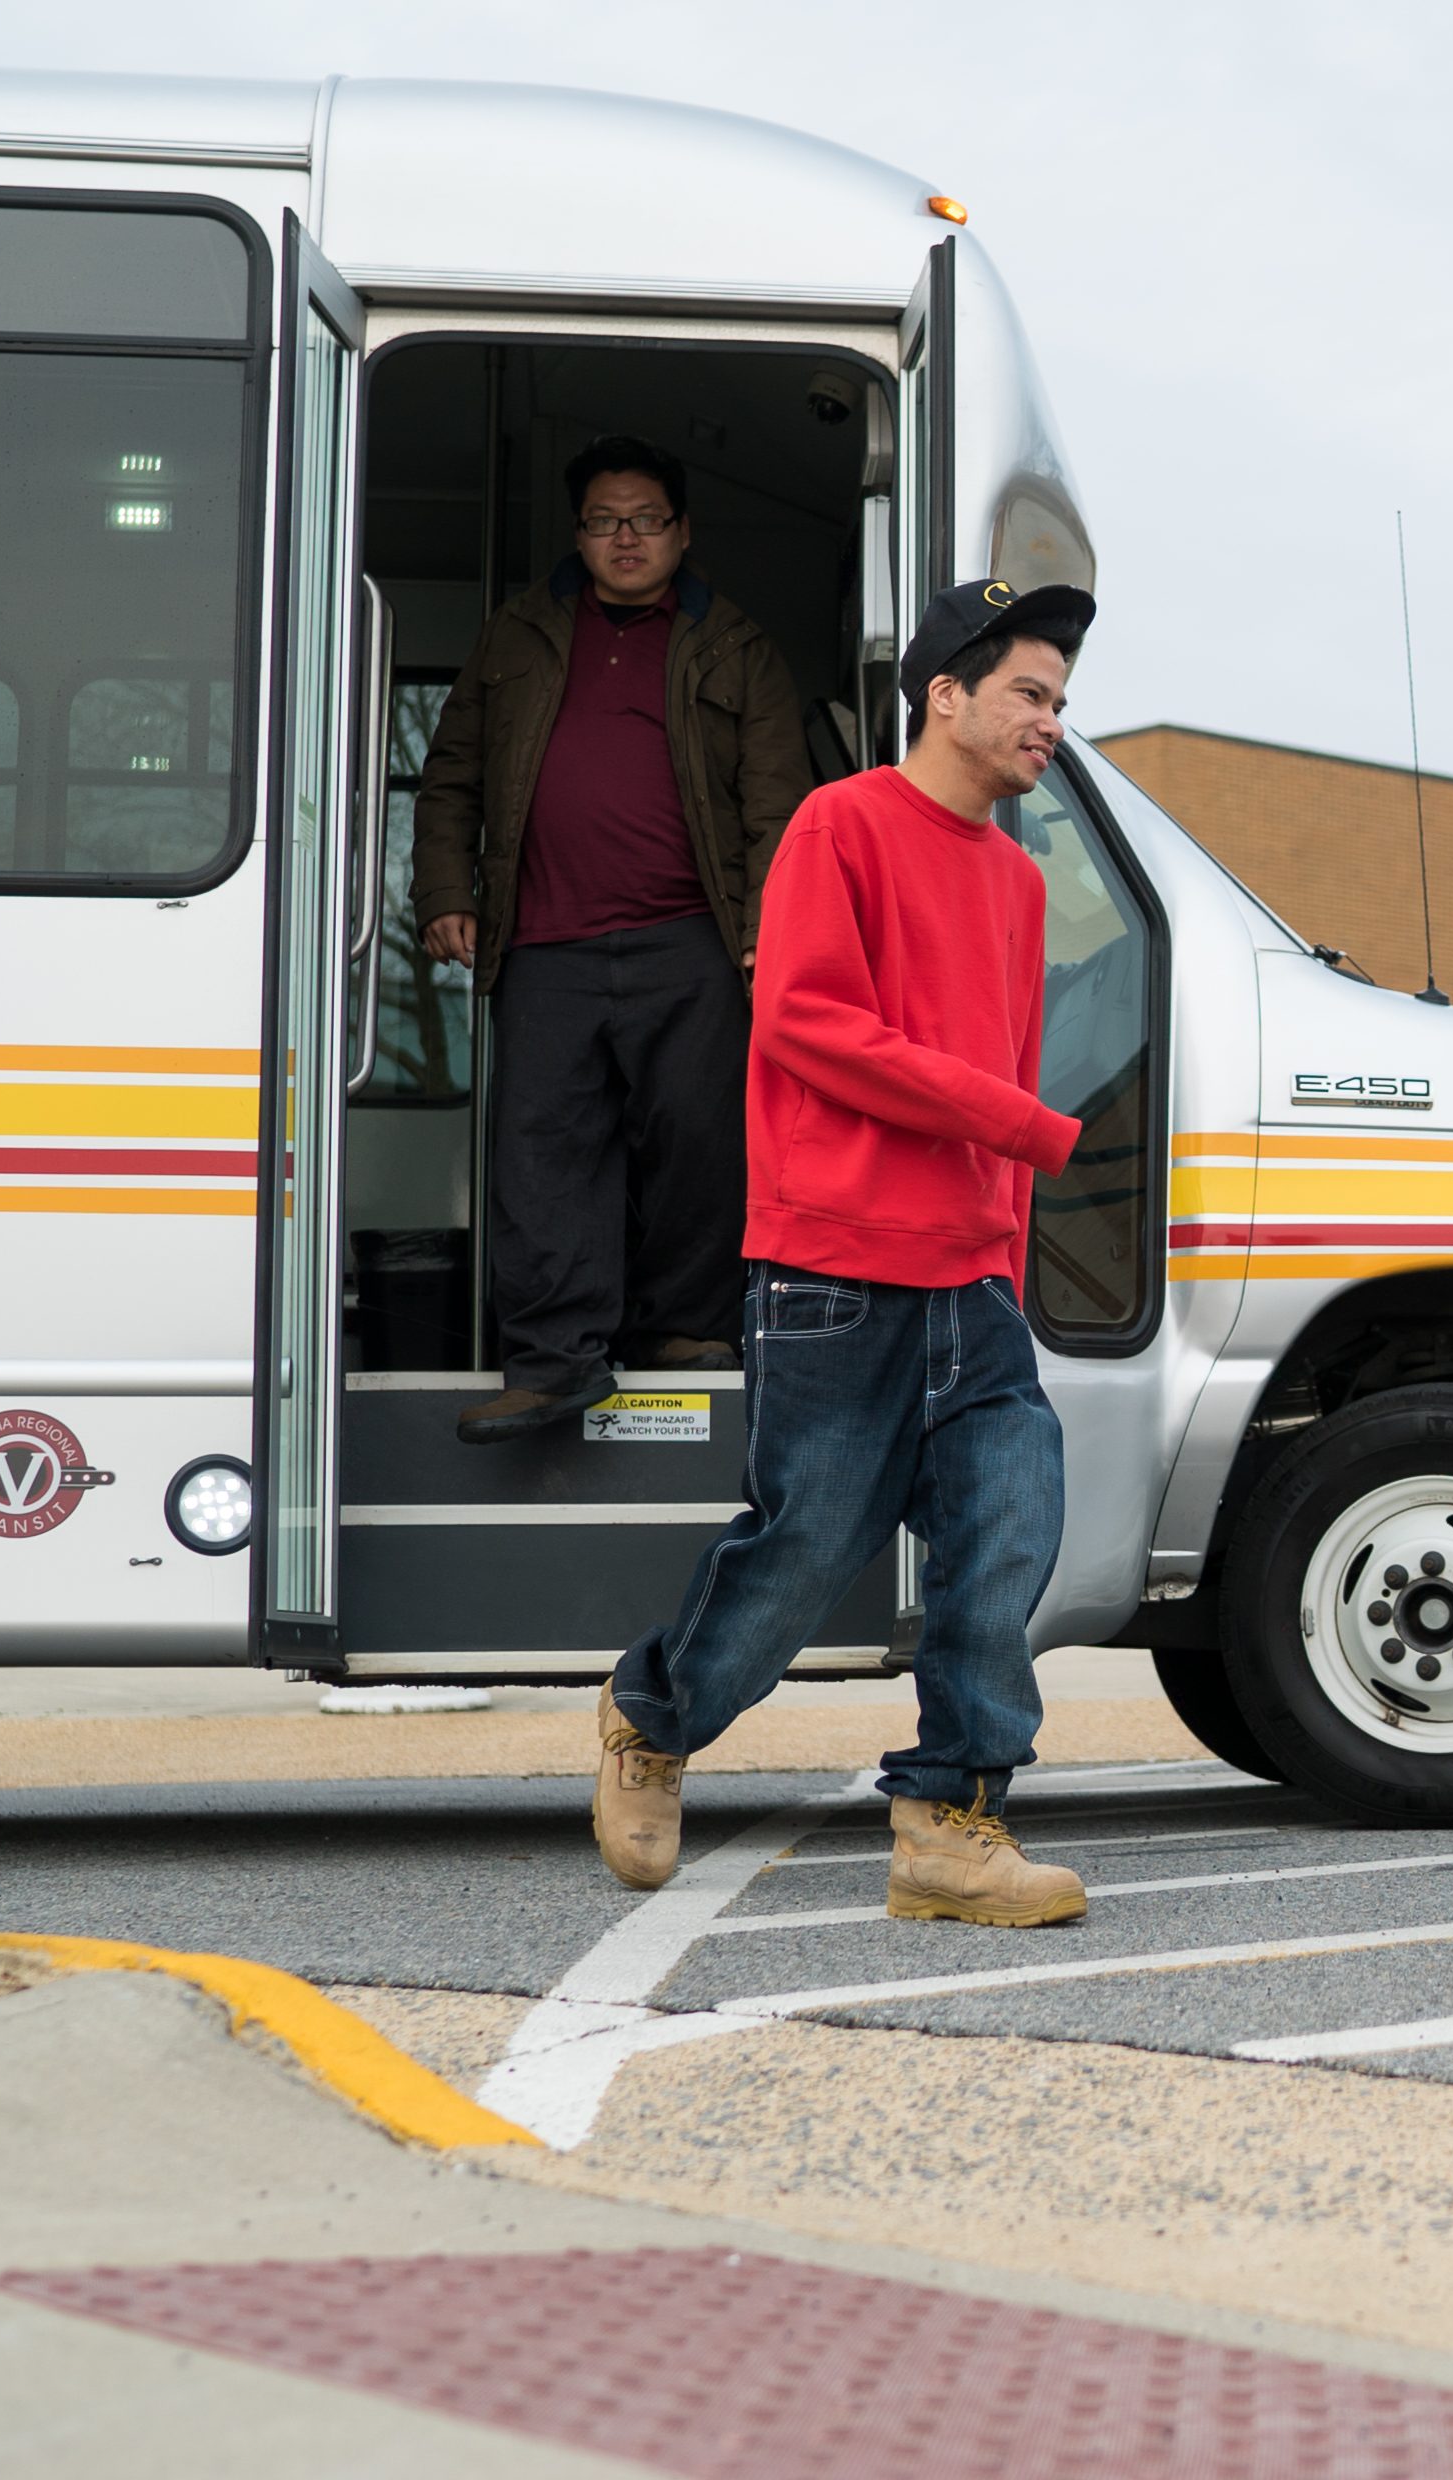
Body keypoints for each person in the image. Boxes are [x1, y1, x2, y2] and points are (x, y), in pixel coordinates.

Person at [588, 578, 1099, 1924]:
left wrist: (1003, 1233)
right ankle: (652, 1716)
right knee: (806, 1552)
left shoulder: (1023, 882)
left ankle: (949, 1824)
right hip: (832, 1268)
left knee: (1008, 1535)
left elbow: (1006, 1060)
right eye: (1029, 694)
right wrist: (1018, 1126)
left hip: (970, 1282)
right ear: (947, 694)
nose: (1051, 721)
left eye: (1058, 699)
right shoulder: (840, 825)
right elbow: (810, 1023)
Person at [408, 433, 816, 1444]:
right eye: (602, 520)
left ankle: (684, 1331)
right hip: (543, 944)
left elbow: (778, 807)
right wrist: (441, 891)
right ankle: (552, 1362)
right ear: (579, 536)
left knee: (699, 1144)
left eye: (644, 519)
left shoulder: (738, 646)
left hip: (696, 942)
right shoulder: (515, 637)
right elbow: (449, 775)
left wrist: (773, 928)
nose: (624, 537)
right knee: (541, 1155)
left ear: (682, 532)